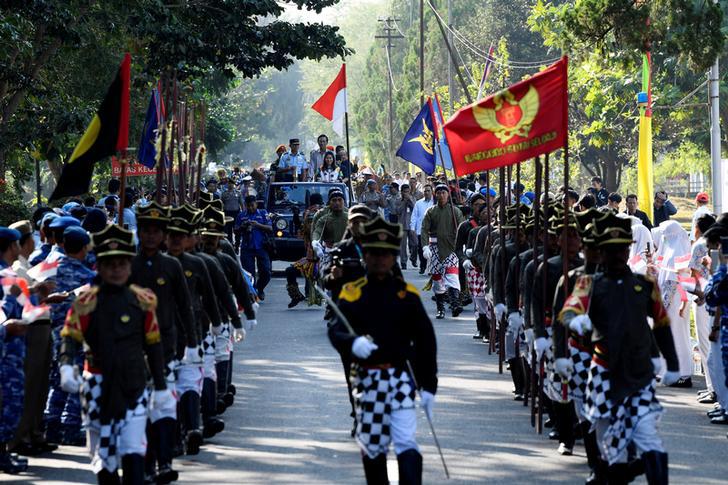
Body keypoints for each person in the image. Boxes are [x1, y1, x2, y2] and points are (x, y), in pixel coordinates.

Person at [559, 211, 679, 482]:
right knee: (609, 443)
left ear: (628, 250)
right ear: (601, 252)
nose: (617, 255)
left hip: (639, 373)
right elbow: (568, 311)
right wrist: (575, 321)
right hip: (604, 372)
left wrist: (672, 362)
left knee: (648, 437)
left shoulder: (644, 284)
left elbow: (661, 323)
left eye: (622, 249)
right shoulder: (588, 283)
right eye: (610, 250)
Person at [328, 216, 437, 485]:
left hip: (401, 379)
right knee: (374, 447)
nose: (380, 260)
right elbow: (335, 328)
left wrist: (428, 385)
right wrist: (352, 343)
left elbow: (425, 341)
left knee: (406, 443)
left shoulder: (407, 294)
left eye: (386, 254)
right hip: (367, 381)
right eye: (374, 253)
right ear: (365, 255)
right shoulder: (353, 293)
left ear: (393, 257)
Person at [58, 224, 169, 484]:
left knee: (133, 452)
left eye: (121, 264)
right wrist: (65, 365)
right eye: (110, 264)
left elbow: (153, 345)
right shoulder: (86, 302)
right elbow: (70, 338)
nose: (116, 270)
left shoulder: (143, 300)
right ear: (100, 267)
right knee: (103, 458)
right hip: (97, 384)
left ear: (129, 266)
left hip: (133, 383)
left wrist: (161, 385)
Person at [130, 201, 197, 483]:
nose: (151, 236)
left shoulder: (170, 265)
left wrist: (192, 342)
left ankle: (165, 461)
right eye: (146, 230)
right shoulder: (126, 264)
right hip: (130, 347)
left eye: (157, 231)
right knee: (139, 409)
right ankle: (143, 464)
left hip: (166, 345)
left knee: (163, 404)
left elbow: (185, 306)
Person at [165, 205, 223, 456]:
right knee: (166, 391)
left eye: (184, 234)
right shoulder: (144, 265)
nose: (178, 240)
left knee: (190, 382)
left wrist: (220, 323)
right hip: (159, 336)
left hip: (194, 331)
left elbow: (209, 298)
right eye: (172, 235)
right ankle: (172, 439)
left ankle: (194, 427)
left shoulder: (200, 263)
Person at [43, 226, 96, 447]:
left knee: (57, 380)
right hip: (77, 333)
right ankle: (71, 426)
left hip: (53, 331)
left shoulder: (48, 269)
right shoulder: (88, 277)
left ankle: (51, 424)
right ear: (84, 248)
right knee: (77, 379)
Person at [654, 220, 694, 387]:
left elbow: (671, 283)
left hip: (673, 304)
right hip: (677, 304)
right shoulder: (675, 251)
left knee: (677, 338)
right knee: (677, 337)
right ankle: (673, 372)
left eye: (664, 235)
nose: (662, 238)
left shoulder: (674, 255)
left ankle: (683, 373)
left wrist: (662, 306)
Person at [421, 184, 465, 319]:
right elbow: (424, 229)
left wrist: (462, 244)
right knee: (437, 280)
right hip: (434, 248)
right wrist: (425, 246)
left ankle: (455, 304)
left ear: (448, 194)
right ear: (435, 195)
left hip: (451, 248)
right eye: (438, 192)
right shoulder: (430, 211)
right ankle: (440, 309)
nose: (441, 195)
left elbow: (462, 227)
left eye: (443, 192)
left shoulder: (455, 211)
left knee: (452, 277)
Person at [235, 195, 273, 300]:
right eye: (248, 206)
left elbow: (270, 228)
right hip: (247, 248)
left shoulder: (263, 213)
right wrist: (242, 227)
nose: (251, 208)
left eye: (252, 205)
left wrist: (258, 225)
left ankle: (259, 288)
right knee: (249, 274)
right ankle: (252, 293)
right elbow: (236, 230)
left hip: (261, 246)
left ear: (256, 204)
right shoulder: (241, 216)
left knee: (266, 271)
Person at [398, 184, 417, 269]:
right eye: (405, 192)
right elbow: (397, 211)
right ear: (401, 192)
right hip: (402, 225)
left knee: (415, 243)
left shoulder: (413, 199)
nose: (406, 193)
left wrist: (409, 200)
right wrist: (404, 202)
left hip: (412, 225)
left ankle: (413, 258)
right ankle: (403, 262)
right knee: (403, 245)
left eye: (408, 192)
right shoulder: (398, 200)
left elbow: (415, 209)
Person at [221, 179, 244, 246]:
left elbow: (241, 203)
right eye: (229, 183)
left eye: (231, 183)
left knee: (237, 229)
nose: (230, 185)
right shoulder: (224, 193)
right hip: (227, 213)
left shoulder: (238, 193)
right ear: (227, 184)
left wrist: (243, 213)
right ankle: (230, 244)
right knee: (228, 230)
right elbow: (221, 203)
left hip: (236, 214)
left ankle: (237, 243)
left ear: (234, 184)